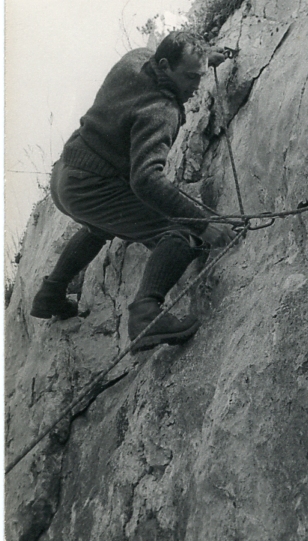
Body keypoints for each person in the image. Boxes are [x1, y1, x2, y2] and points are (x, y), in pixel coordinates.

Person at [30, 30, 235, 351]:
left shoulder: (136, 59)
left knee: (100, 226)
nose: (196, 86)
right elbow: (146, 180)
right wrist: (203, 225)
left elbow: (170, 56)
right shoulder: (161, 110)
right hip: (90, 187)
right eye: (190, 77)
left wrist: (203, 58)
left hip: (65, 175)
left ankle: (51, 293)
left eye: (200, 76)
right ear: (165, 66)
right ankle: (145, 315)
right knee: (182, 232)